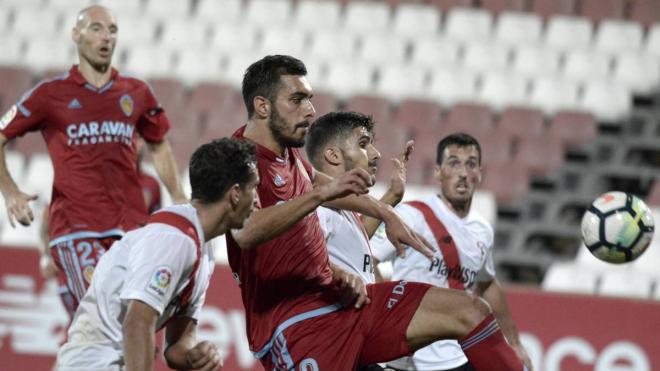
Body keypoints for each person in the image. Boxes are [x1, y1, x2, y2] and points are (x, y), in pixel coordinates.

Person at [226, 54, 526, 370]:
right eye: (297, 99)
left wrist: (386, 210)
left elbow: (316, 181)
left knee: (469, 311)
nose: (310, 110)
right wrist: (325, 201)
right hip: (298, 327)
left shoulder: (286, 155)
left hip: (345, 308)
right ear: (262, 106)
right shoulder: (237, 160)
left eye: (310, 99)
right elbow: (247, 232)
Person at [0, 5, 186, 318]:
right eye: (97, 28)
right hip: (77, 230)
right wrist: (10, 191)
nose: (106, 37)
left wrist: (178, 194)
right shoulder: (50, 94)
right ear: (77, 35)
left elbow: (158, 144)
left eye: (112, 31)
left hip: (131, 229)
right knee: (108, 316)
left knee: (132, 327)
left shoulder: (136, 92)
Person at [56, 138, 258, 371]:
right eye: (254, 188)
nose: (257, 201)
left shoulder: (204, 247)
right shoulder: (175, 239)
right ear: (234, 193)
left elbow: (176, 346)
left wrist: (194, 356)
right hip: (94, 364)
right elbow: (137, 324)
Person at [370, 133, 533, 371]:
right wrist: (384, 321)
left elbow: (487, 284)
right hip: (410, 353)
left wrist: (515, 342)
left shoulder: (482, 229)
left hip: (457, 352)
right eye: (454, 163)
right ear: (438, 172)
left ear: (480, 173)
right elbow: (370, 258)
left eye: (471, 164)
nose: (463, 173)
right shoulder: (412, 215)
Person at [305, 111, 412, 284]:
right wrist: (339, 276)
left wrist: (393, 195)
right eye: (363, 144)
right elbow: (301, 256)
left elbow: (347, 242)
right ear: (333, 155)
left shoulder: (342, 207)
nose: (376, 154)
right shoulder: (318, 209)